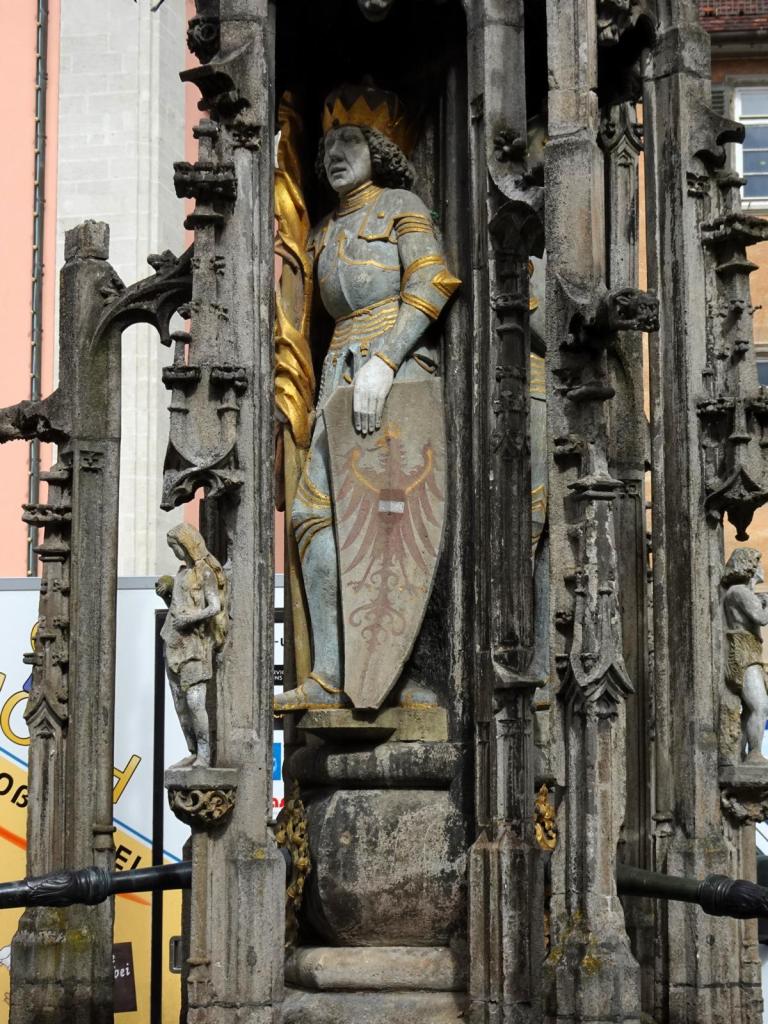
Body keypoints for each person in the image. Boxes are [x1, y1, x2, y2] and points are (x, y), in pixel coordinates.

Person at [273, 83, 459, 714]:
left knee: (393, 523)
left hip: (395, 369)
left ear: (378, 149)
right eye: (325, 144)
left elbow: (432, 281)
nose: (332, 154)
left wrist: (385, 359)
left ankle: (401, 673)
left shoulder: (401, 204)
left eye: (347, 141)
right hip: (337, 371)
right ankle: (331, 673)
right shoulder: (322, 229)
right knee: (311, 518)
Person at [156, 524, 229, 766]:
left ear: (187, 544)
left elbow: (214, 606)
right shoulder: (181, 574)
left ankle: (206, 755)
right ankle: (193, 750)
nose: (175, 552)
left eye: (175, 546)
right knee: (180, 704)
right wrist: (166, 593)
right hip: (174, 642)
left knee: (195, 701)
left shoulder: (205, 572)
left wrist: (192, 618)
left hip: (196, 645)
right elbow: (178, 609)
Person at [722, 547, 768, 762]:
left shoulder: (739, 591)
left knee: (751, 707)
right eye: (757, 562)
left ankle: (742, 753)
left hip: (749, 648)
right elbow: (761, 618)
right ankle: (755, 753)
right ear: (748, 565)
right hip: (744, 650)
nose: (761, 568)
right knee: (760, 704)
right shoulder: (739, 591)